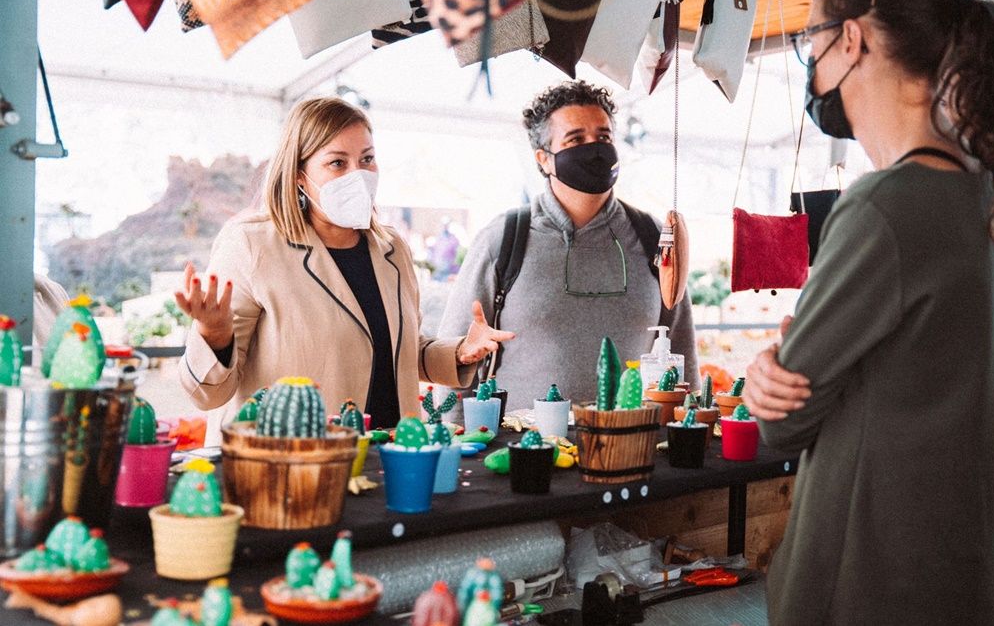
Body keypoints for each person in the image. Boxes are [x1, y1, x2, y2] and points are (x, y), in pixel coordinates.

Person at [741, 0, 994, 624]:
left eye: (811, 37)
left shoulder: (885, 205)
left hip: (872, 581)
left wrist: (767, 377)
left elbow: (782, 425)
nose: (810, 57)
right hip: (966, 577)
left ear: (850, 40)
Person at [176, 97, 513, 440]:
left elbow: (397, 351)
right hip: (294, 464)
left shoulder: (391, 249)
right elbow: (207, 393)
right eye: (338, 163)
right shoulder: (252, 245)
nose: (359, 175)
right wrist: (215, 336)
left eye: (367, 159)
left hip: (387, 457)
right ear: (299, 177)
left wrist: (459, 352)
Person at [437, 81, 697, 411]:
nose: (595, 149)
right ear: (544, 159)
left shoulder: (654, 238)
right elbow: (454, 359)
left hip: (632, 446)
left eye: (604, 137)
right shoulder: (504, 239)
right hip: (525, 453)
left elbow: (682, 351)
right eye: (576, 139)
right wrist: (460, 445)